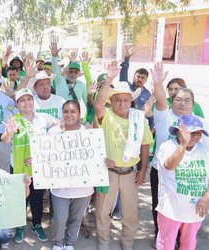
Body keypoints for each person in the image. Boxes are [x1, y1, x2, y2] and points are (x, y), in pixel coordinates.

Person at [93, 61, 153, 250]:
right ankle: (103, 242)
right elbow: (97, 103)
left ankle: (127, 244)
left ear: (131, 101)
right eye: (117, 99)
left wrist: (143, 169)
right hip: (108, 172)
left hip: (130, 173)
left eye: (125, 99)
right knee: (103, 211)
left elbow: (145, 144)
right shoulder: (107, 115)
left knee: (130, 213)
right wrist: (109, 78)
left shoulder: (138, 118)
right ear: (112, 101)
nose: (121, 103)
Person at [1, 88, 58, 243]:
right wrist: (9, 133)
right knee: (21, 197)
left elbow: (60, 125)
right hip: (19, 166)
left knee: (37, 198)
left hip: (38, 167)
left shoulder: (43, 118)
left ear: (33, 101)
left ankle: (37, 224)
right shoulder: (14, 120)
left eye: (29, 99)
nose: (27, 103)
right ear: (17, 104)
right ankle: (20, 226)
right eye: (22, 100)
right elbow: (5, 140)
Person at [154, 114, 209, 250]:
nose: (195, 136)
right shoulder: (166, 147)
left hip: (196, 209)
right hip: (171, 209)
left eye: (198, 133)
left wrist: (206, 198)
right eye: (191, 132)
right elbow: (169, 165)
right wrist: (183, 145)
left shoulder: (204, 150)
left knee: (189, 244)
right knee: (166, 244)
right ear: (179, 131)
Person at [48, 100, 94, 250]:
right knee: (60, 218)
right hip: (60, 186)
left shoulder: (87, 133)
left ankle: (69, 243)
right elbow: (46, 154)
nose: (69, 115)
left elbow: (95, 156)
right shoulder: (53, 132)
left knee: (76, 217)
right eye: (66, 111)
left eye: (73, 111)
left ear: (79, 114)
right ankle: (58, 242)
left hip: (83, 187)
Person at [49, 36, 86, 102]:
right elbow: (55, 69)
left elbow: (87, 103)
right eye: (71, 72)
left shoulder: (81, 85)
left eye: (75, 72)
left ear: (79, 74)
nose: (73, 74)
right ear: (66, 72)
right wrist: (54, 56)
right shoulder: (59, 81)